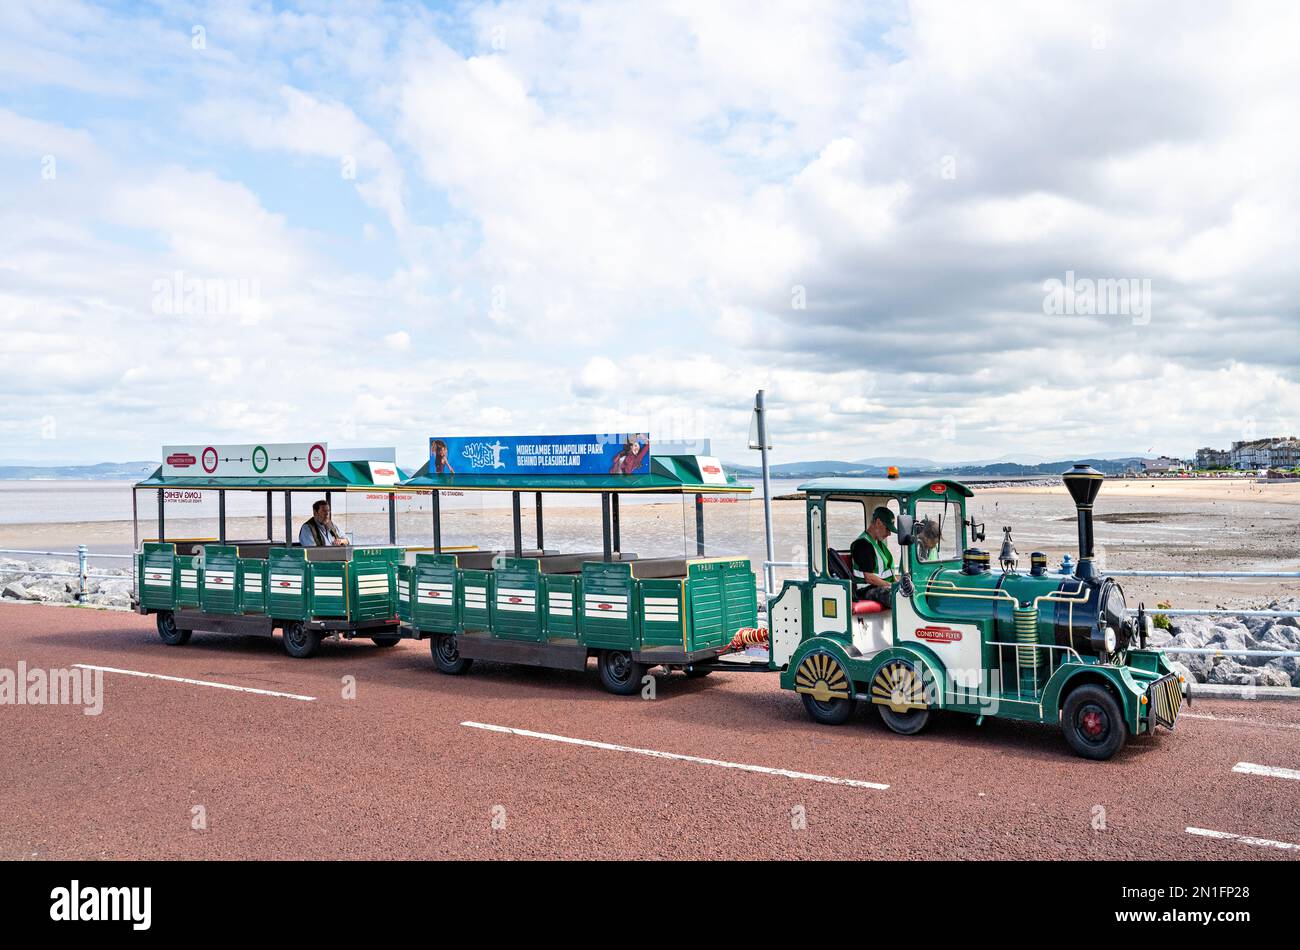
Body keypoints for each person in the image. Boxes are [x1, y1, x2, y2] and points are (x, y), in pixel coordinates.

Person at [849, 506, 896, 606]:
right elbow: (869, 578)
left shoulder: (878, 543)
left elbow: (888, 573)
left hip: (880, 586)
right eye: (888, 529)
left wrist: (898, 584)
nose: (889, 534)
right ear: (878, 522)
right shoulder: (863, 544)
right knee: (895, 597)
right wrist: (892, 586)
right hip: (865, 589)